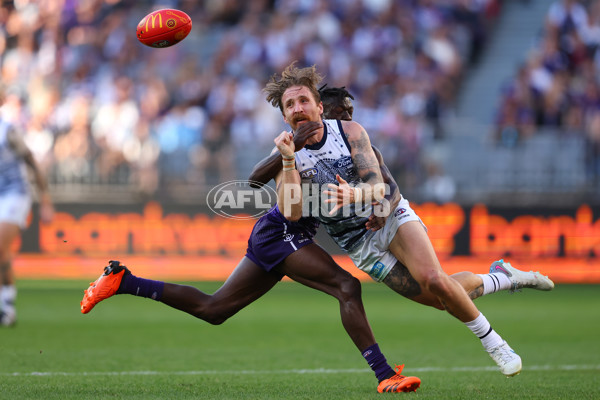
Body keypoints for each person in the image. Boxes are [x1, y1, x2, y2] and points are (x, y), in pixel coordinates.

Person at [80, 93, 421, 393]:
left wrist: (380, 207)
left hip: (281, 235)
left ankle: (124, 281)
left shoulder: (350, 144)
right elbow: (255, 181)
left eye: (347, 114)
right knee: (346, 286)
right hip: (281, 231)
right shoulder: (292, 145)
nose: (346, 119)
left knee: (213, 310)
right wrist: (290, 151)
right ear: (321, 111)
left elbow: (385, 185)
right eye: (339, 113)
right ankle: (384, 374)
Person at [262, 63, 555, 378]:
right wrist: (289, 158)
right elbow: (291, 213)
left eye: (304, 100)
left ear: (319, 107)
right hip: (359, 245)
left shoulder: (350, 132)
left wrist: (355, 196)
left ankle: (495, 344)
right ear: (284, 117)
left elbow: (378, 185)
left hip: (390, 218)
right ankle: (506, 276)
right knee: (443, 299)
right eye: (290, 105)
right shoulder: (284, 155)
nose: (298, 108)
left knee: (435, 278)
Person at [0, 98, 54, 326]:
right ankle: (7, 306)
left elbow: (31, 162)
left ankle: (6, 307)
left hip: (15, 192)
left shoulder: (8, 131)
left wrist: (45, 200)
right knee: (2, 255)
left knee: (0, 247)